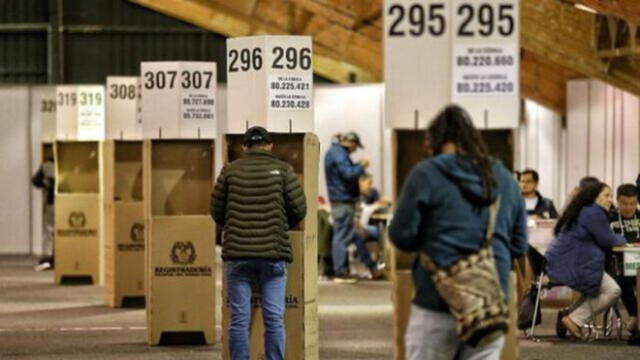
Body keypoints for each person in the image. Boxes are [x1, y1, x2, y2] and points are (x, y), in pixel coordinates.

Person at [389, 105, 527, 360]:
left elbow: (401, 236)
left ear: (435, 141)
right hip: (489, 305)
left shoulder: (427, 173)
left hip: (438, 297)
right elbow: (518, 247)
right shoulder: (506, 179)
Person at [211, 126, 307, 360]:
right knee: (274, 319)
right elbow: (300, 209)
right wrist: (280, 225)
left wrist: (236, 226)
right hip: (273, 253)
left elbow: (216, 211)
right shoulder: (283, 170)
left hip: (238, 255)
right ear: (269, 145)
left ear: (244, 147)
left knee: (239, 320)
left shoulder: (229, 171)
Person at [545, 182, 626, 339]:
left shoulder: (584, 210)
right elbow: (607, 239)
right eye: (606, 196)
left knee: (595, 289)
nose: (610, 200)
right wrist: (623, 239)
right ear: (594, 197)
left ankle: (568, 313)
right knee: (613, 290)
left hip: (565, 261)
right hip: (574, 263)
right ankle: (574, 319)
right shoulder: (593, 212)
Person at [324, 131, 370, 283]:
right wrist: (361, 166)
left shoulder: (335, 153)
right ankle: (340, 272)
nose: (355, 150)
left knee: (341, 235)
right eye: (355, 147)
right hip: (343, 200)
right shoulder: (339, 154)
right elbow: (348, 175)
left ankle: (340, 269)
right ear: (351, 143)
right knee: (342, 236)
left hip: (340, 200)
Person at [609, 184, 639, 334]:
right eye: (624, 204)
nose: (628, 207)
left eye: (632, 203)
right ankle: (635, 314)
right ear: (617, 200)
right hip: (617, 263)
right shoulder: (609, 218)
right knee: (623, 280)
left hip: (637, 262)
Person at [31, 157, 55, 271]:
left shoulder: (46, 166)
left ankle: (48, 257)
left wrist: (45, 185)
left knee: (49, 231)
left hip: (50, 203)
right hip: (67, 203)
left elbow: (35, 181)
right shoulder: (70, 164)